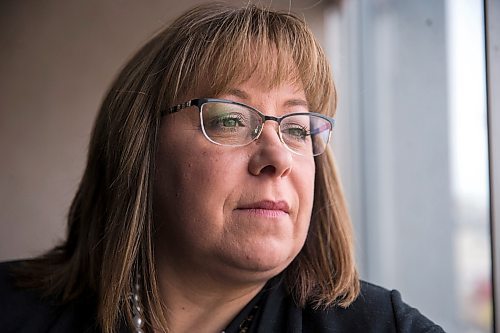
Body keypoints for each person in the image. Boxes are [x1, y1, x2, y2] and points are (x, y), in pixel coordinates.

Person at [0, 2, 445, 332]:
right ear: (139, 148)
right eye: (230, 119)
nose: (278, 159)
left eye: (296, 128)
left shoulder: (387, 327)